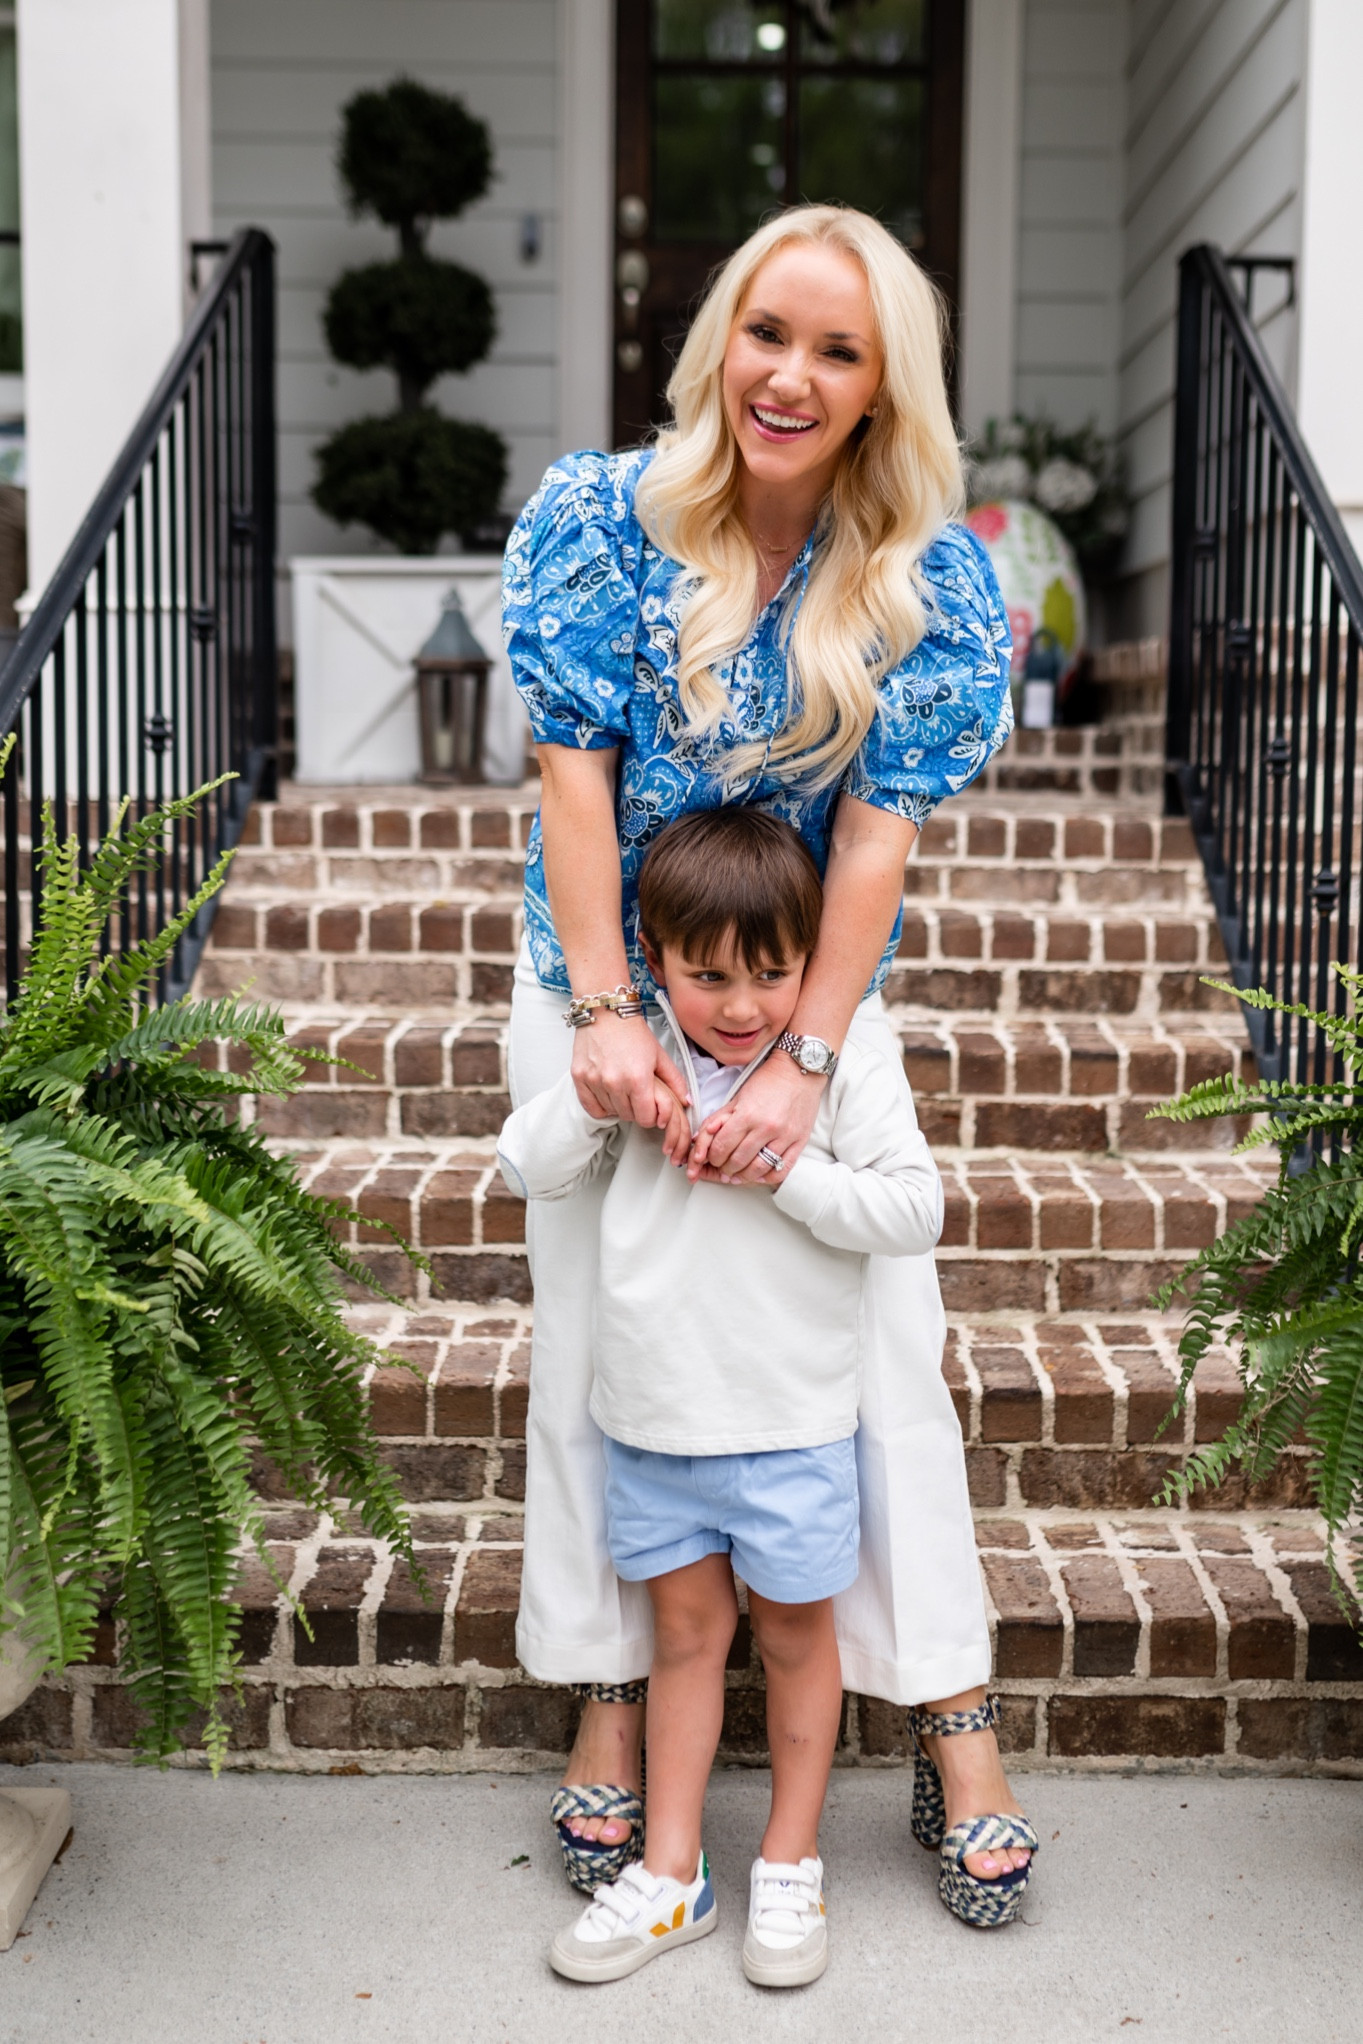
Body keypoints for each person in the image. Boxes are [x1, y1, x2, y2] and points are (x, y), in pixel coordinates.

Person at [503, 202, 1036, 1931]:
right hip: (600, 984)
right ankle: (605, 1680)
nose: (786, 377)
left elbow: (871, 843)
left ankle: (948, 1714)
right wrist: (601, 1015)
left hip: (798, 1002)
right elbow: (569, 778)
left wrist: (805, 1055)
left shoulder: (930, 578)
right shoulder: (601, 516)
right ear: (716, 338)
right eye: (765, 333)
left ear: (886, 388)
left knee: (887, 1349)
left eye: (835, 348)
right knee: (607, 1338)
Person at [499, 810, 946, 1985]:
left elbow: (912, 1210)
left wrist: (789, 1168)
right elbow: (524, 1167)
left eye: (771, 974)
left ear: (813, 959)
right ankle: (673, 1870)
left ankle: (790, 1864)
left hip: (794, 1420)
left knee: (800, 1643)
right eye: (707, 977)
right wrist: (601, 1095)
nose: (741, 1007)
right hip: (654, 1421)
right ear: (652, 961)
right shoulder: (635, 1052)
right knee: (684, 1641)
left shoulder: (835, 1065)